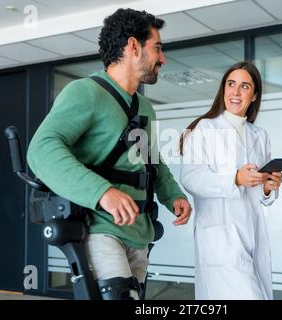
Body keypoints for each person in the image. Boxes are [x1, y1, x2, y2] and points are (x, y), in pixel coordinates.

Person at [27, 8, 192, 300]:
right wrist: (103, 192)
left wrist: (173, 195)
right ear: (132, 46)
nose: (162, 59)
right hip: (100, 229)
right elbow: (41, 150)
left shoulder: (144, 107)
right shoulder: (85, 92)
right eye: (157, 48)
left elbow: (150, 161)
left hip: (140, 232)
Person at [179, 61, 282, 300]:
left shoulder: (260, 135)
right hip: (221, 237)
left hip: (252, 234)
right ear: (223, 89)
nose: (235, 92)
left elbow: (262, 195)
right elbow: (191, 178)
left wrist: (268, 188)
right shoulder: (204, 129)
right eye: (231, 84)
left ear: (254, 95)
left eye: (244, 86)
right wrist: (235, 178)